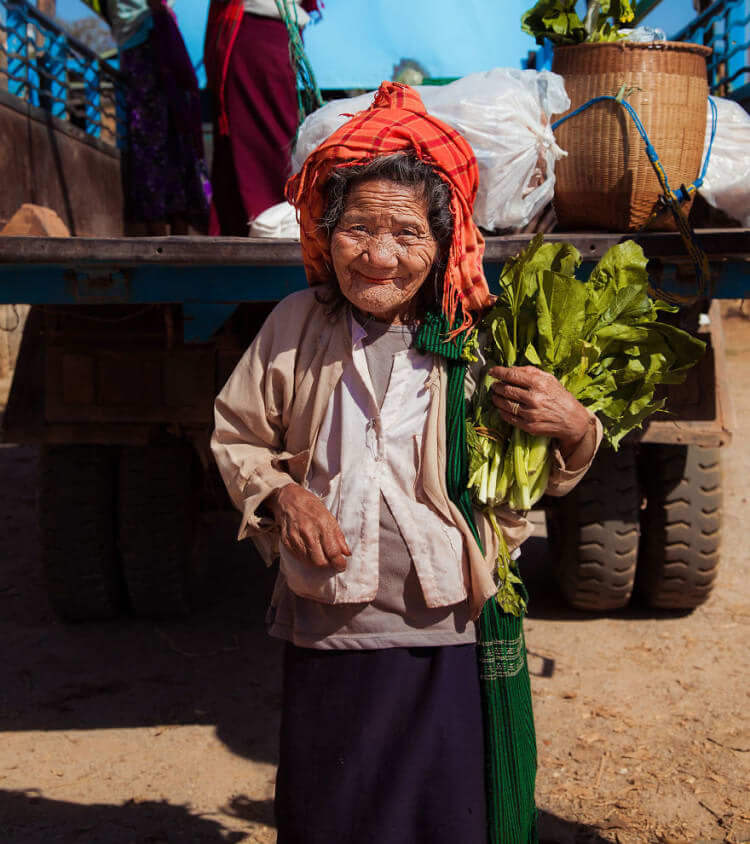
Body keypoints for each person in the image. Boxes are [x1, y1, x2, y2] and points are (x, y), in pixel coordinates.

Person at [211, 82, 602, 843]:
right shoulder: (298, 324)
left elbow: (544, 469)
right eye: (358, 228)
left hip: (449, 625)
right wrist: (282, 497)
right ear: (327, 234)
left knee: (443, 819)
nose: (381, 256)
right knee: (336, 813)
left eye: (406, 233)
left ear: (445, 240)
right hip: (329, 621)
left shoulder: (479, 338)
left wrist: (577, 426)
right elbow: (237, 436)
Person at [204, 0, 321, 235]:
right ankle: (259, 229)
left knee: (273, 141)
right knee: (250, 143)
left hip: (274, 34)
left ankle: (268, 227)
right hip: (251, 32)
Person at [107, 0, 209, 234]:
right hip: (150, 39)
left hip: (146, 39)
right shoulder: (149, 26)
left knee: (164, 141)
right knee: (159, 141)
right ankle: (164, 234)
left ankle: (169, 233)